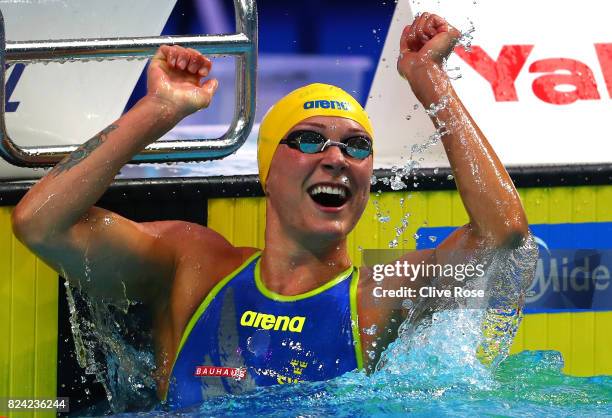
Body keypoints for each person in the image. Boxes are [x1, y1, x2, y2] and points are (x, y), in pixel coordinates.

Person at [12, 13, 534, 410]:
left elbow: (503, 235)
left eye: (356, 147)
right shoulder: (194, 268)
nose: (335, 158)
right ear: (267, 171)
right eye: (308, 140)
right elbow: (41, 223)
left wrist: (429, 79)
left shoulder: (379, 298)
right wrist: (158, 111)